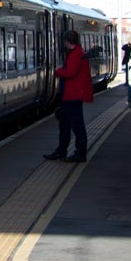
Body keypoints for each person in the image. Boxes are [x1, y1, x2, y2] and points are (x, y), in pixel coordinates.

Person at [44, 30, 93, 163]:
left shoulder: (76, 54)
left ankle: (80, 153)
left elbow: (70, 73)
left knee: (77, 126)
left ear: (67, 41)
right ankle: (61, 151)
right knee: (64, 125)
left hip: (73, 96)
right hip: (70, 95)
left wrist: (58, 71)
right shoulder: (76, 52)